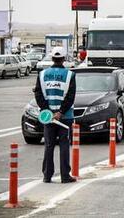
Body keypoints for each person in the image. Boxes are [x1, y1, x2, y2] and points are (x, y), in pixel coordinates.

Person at [34, 47, 77, 183]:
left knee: (49, 145)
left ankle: (47, 175)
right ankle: (65, 176)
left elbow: (38, 95)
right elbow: (70, 97)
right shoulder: (70, 75)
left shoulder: (42, 74)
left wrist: (48, 111)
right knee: (64, 145)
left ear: (52, 58)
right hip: (65, 117)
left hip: (48, 117)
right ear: (64, 59)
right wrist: (60, 112)